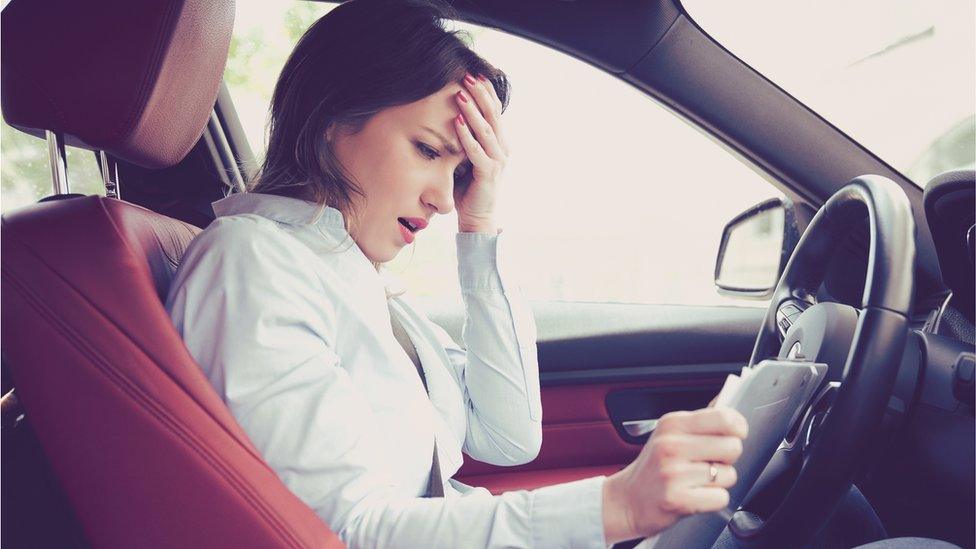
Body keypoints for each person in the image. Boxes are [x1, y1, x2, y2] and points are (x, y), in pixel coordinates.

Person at [165, 1, 750, 547]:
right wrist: (614, 506)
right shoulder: (252, 265)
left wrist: (482, 226)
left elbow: (509, 437)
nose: (445, 199)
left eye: (462, 169)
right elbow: (350, 531)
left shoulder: (350, 273)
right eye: (427, 149)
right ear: (333, 121)